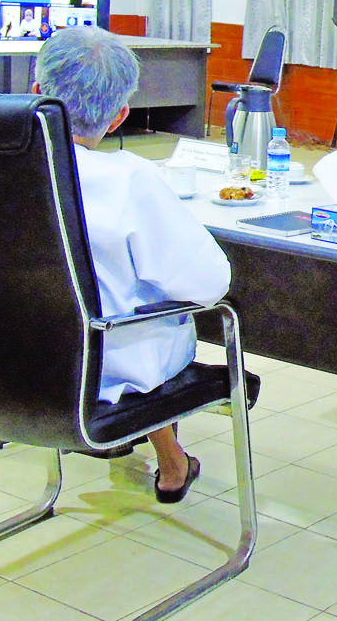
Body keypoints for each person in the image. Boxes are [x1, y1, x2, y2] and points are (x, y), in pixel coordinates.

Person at [31, 26, 230, 502]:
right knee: (146, 294)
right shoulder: (129, 179)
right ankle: (171, 462)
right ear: (121, 114)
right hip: (104, 369)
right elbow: (210, 283)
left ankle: (165, 457)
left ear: (35, 91)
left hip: (7, 358)